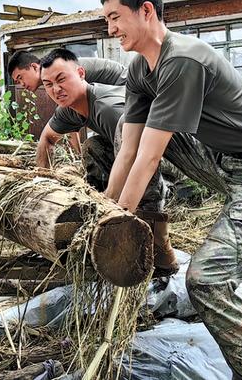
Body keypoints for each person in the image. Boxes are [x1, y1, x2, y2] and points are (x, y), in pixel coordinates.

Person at [101, 0, 242, 380]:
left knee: (205, 281)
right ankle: (149, 236)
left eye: (114, 17)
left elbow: (150, 158)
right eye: (105, 21)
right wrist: (104, 211)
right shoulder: (140, 71)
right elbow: (130, 149)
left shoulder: (182, 59)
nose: (110, 29)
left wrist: (115, 218)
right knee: (127, 133)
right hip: (226, 165)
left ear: (146, 11)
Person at [36, 48, 176, 276]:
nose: (56, 89)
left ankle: (159, 251)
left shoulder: (109, 108)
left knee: (140, 182)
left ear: (81, 73)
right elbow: (46, 139)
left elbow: (142, 158)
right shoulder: (68, 109)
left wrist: (114, 208)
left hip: (164, 155)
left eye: (61, 79)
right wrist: (43, 185)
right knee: (94, 146)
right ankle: (97, 221)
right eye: (48, 84)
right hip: (131, 153)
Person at [7, 51, 126, 152]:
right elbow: (69, 121)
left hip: (122, 87)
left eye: (20, 77)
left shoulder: (59, 70)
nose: (21, 84)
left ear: (34, 67)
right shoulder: (52, 79)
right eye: (18, 82)